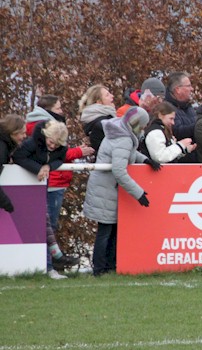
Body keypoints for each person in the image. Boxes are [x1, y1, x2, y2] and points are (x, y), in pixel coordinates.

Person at [84, 107, 160, 276]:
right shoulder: (123, 138)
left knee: (110, 229)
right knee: (105, 231)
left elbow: (127, 154)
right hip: (106, 189)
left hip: (106, 187)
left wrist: (145, 160)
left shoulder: (120, 130)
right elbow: (119, 171)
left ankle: (108, 267)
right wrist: (139, 193)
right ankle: (100, 269)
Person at [12, 120, 80, 277]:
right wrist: (39, 168)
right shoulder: (32, 143)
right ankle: (54, 260)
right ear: (46, 136)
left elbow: (59, 159)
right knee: (44, 222)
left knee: (46, 222)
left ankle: (52, 263)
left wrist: (48, 167)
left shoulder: (60, 148)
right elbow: (18, 157)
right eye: (51, 142)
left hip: (41, 185)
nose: (52, 146)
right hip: (26, 186)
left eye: (56, 145)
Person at [24, 95, 94, 231]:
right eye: (58, 108)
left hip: (50, 179)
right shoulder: (45, 127)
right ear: (48, 110)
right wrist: (79, 152)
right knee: (49, 225)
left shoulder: (35, 125)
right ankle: (48, 253)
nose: (61, 111)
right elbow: (53, 155)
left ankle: (47, 252)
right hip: (52, 181)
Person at [164, 71, 198, 162]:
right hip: (180, 163)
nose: (192, 89)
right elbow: (177, 131)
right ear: (178, 89)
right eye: (188, 86)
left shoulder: (189, 107)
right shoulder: (167, 109)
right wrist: (200, 125)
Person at [0, 114, 27, 214]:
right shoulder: (2, 149)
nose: (25, 136)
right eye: (22, 133)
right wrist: (6, 203)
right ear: (13, 132)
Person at [79, 84, 116, 151]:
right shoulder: (102, 123)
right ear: (99, 102)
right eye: (107, 95)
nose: (112, 96)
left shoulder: (94, 120)